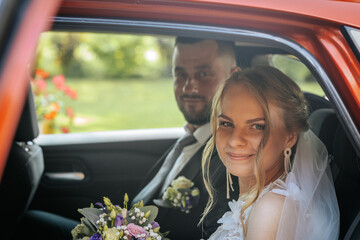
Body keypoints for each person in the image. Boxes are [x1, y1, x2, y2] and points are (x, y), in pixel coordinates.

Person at [201, 66, 340, 239]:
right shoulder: (261, 200)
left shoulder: (272, 209)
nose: (235, 140)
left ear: (289, 137)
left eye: (257, 127)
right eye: (227, 124)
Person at [131, 37, 240, 240]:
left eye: (204, 74)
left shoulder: (232, 161)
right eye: (180, 74)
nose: (189, 88)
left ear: (232, 77)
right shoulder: (189, 139)